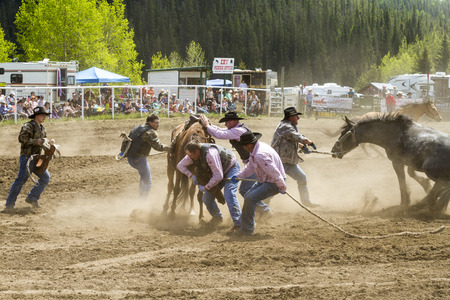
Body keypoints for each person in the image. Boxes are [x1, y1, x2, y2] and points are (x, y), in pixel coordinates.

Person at [199, 112, 273, 224]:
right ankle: (262, 210)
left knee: (245, 190)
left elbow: (220, 134)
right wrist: (209, 124)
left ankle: (264, 210)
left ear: (233, 121)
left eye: (227, 122)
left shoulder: (239, 131)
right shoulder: (238, 129)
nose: (225, 125)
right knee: (246, 190)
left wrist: (207, 126)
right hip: (252, 163)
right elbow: (222, 131)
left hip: (253, 163)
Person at [231, 131, 286, 236]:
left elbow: (273, 171)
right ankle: (247, 226)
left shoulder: (260, 154)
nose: (243, 147)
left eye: (243, 145)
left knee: (250, 198)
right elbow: (250, 167)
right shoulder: (256, 149)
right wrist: (239, 176)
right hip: (265, 180)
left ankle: (247, 230)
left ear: (249, 145)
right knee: (248, 196)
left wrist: (282, 186)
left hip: (273, 182)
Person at [177, 141, 241, 229]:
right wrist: (191, 175)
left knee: (229, 194)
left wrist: (206, 187)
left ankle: (239, 223)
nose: (189, 158)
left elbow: (218, 176)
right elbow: (180, 165)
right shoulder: (192, 155)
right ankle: (217, 218)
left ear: (197, 152)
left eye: (191, 155)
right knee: (206, 198)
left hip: (231, 168)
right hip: (218, 172)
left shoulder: (210, 154)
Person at [4, 107, 52, 211]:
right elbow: (21, 138)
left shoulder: (42, 128)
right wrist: (36, 142)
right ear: (36, 116)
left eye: (45, 115)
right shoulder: (28, 126)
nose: (44, 117)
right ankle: (9, 205)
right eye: (42, 114)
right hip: (27, 158)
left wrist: (49, 146)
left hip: (36, 158)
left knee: (45, 178)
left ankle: (32, 197)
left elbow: (43, 142)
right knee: (21, 180)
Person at [271, 107, 320, 208]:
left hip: (287, 161)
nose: (298, 118)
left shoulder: (288, 126)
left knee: (302, 178)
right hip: (279, 162)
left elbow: (291, 139)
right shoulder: (285, 126)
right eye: (296, 116)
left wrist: (302, 147)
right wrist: (309, 142)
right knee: (274, 185)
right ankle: (261, 203)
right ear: (291, 117)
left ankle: (306, 201)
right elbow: (298, 137)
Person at [119, 114, 169, 200]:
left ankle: (141, 197)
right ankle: (142, 202)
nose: (158, 125)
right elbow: (158, 147)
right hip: (139, 159)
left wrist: (123, 153)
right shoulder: (150, 132)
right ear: (150, 122)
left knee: (144, 178)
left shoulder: (137, 128)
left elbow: (125, 141)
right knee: (147, 181)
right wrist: (171, 148)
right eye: (156, 123)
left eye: (159, 122)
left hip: (131, 158)